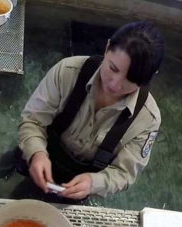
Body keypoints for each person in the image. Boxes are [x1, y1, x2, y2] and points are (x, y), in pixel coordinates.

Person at [17, 21, 165, 201]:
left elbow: (124, 173)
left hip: (79, 183)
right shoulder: (67, 72)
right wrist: (36, 153)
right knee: (15, 178)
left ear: (149, 77)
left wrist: (93, 183)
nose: (115, 84)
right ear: (107, 47)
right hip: (44, 152)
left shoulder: (147, 119)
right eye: (113, 68)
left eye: (131, 80)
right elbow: (33, 121)